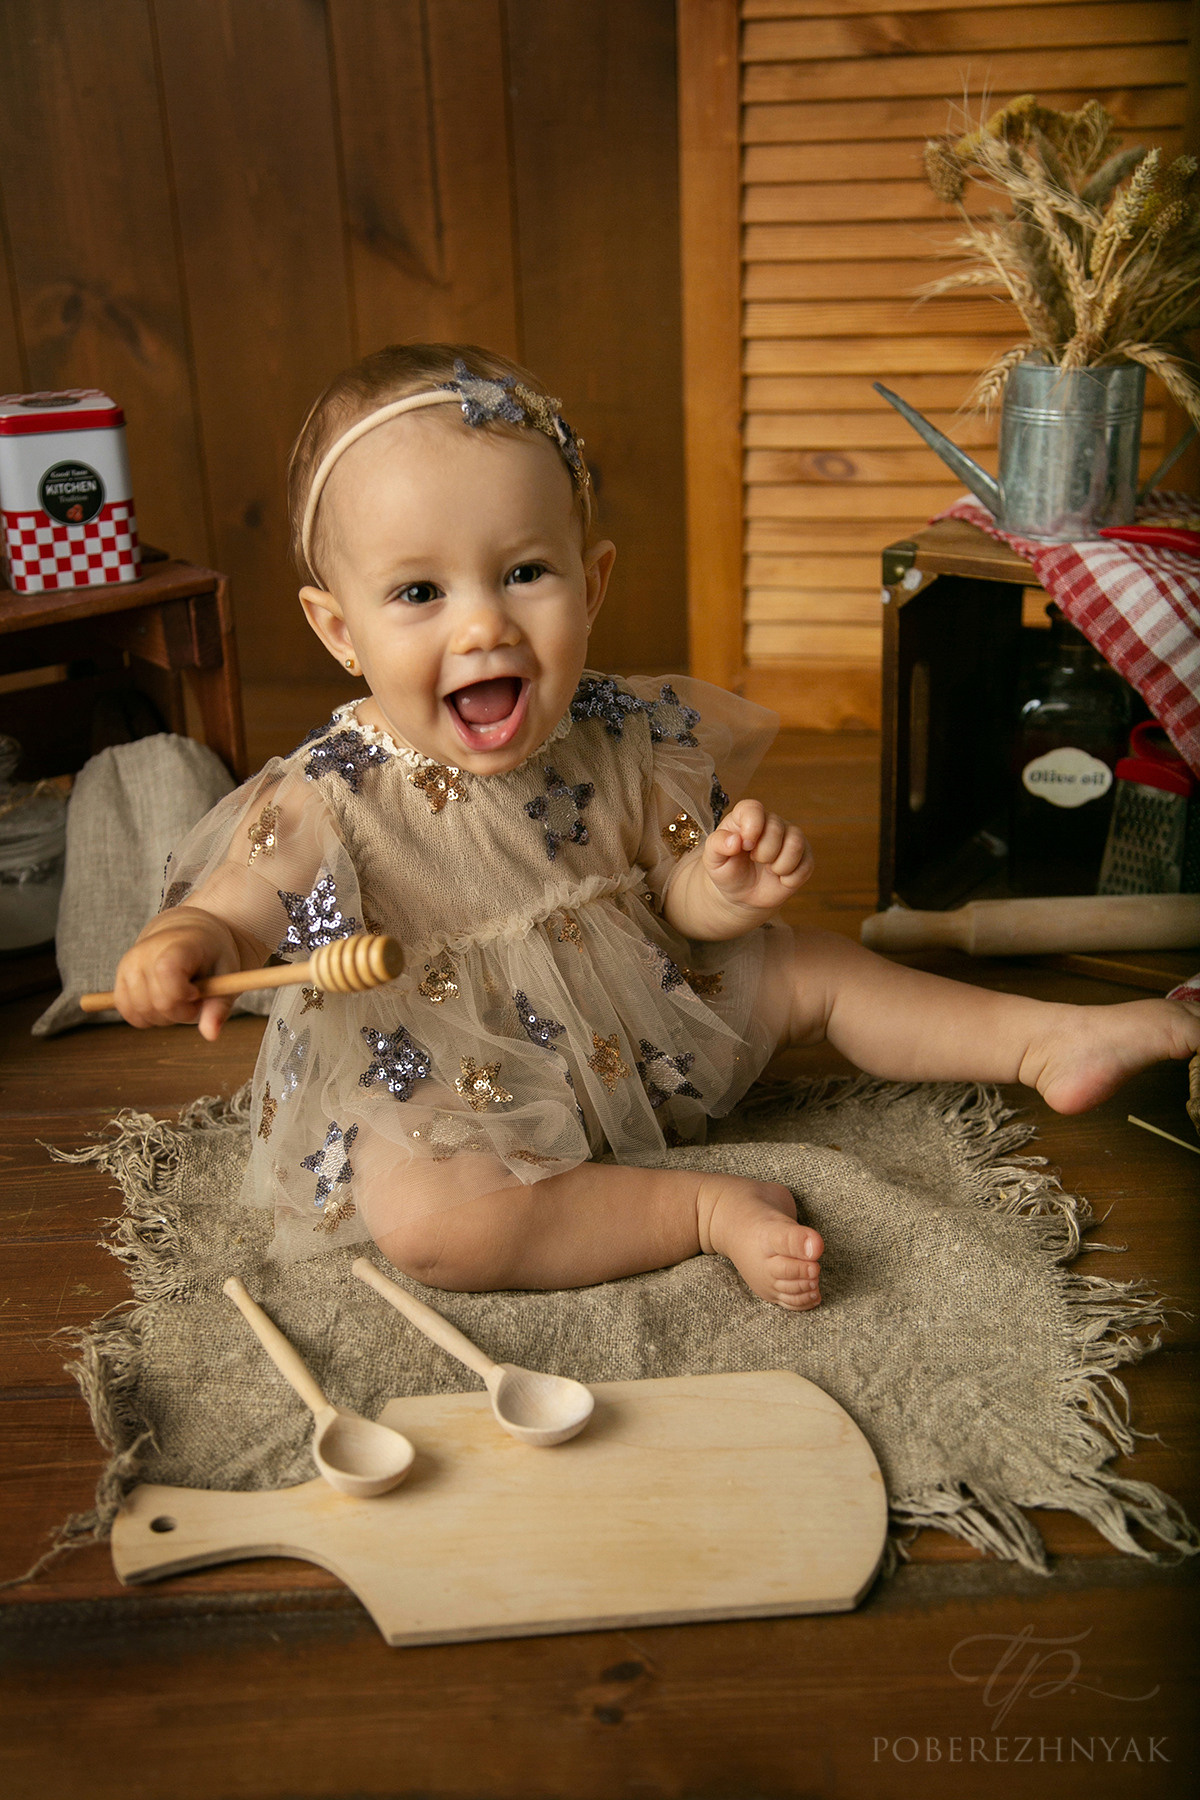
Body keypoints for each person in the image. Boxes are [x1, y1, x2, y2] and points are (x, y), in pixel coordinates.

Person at [111, 344, 1200, 1309]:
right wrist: (191, 945)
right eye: (418, 594)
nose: (484, 622)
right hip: (447, 1076)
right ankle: (698, 1212)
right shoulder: (332, 789)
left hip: (645, 1016)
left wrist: (722, 890)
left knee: (810, 966)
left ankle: (1040, 1038)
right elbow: (243, 902)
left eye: (524, 573)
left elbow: (676, 893)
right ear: (339, 629)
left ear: (591, 584)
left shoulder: (622, 731)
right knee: (435, 1229)